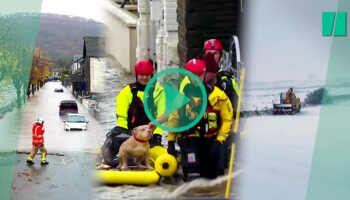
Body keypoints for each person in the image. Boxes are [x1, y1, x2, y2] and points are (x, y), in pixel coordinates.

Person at [167, 58, 233, 181]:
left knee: (214, 175)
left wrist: (219, 141)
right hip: (189, 141)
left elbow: (227, 120)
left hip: (211, 141)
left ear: (204, 74)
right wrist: (171, 141)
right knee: (193, 174)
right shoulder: (180, 97)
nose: (196, 78)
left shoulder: (218, 95)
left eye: (200, 74)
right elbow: (174, 119)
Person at [101, 59, 165, 167]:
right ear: (137, 75)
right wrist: (130, 136)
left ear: (151, 75)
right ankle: (114, 158)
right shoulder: (127, 91)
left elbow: (161, 116)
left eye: (147, 75)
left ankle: (144, 159)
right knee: (114, 140)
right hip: (129, 132)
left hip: (149, 133)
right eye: (141, 75)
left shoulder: (159, 91)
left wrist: (157, 135)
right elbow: (121, 116)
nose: (144, 78)